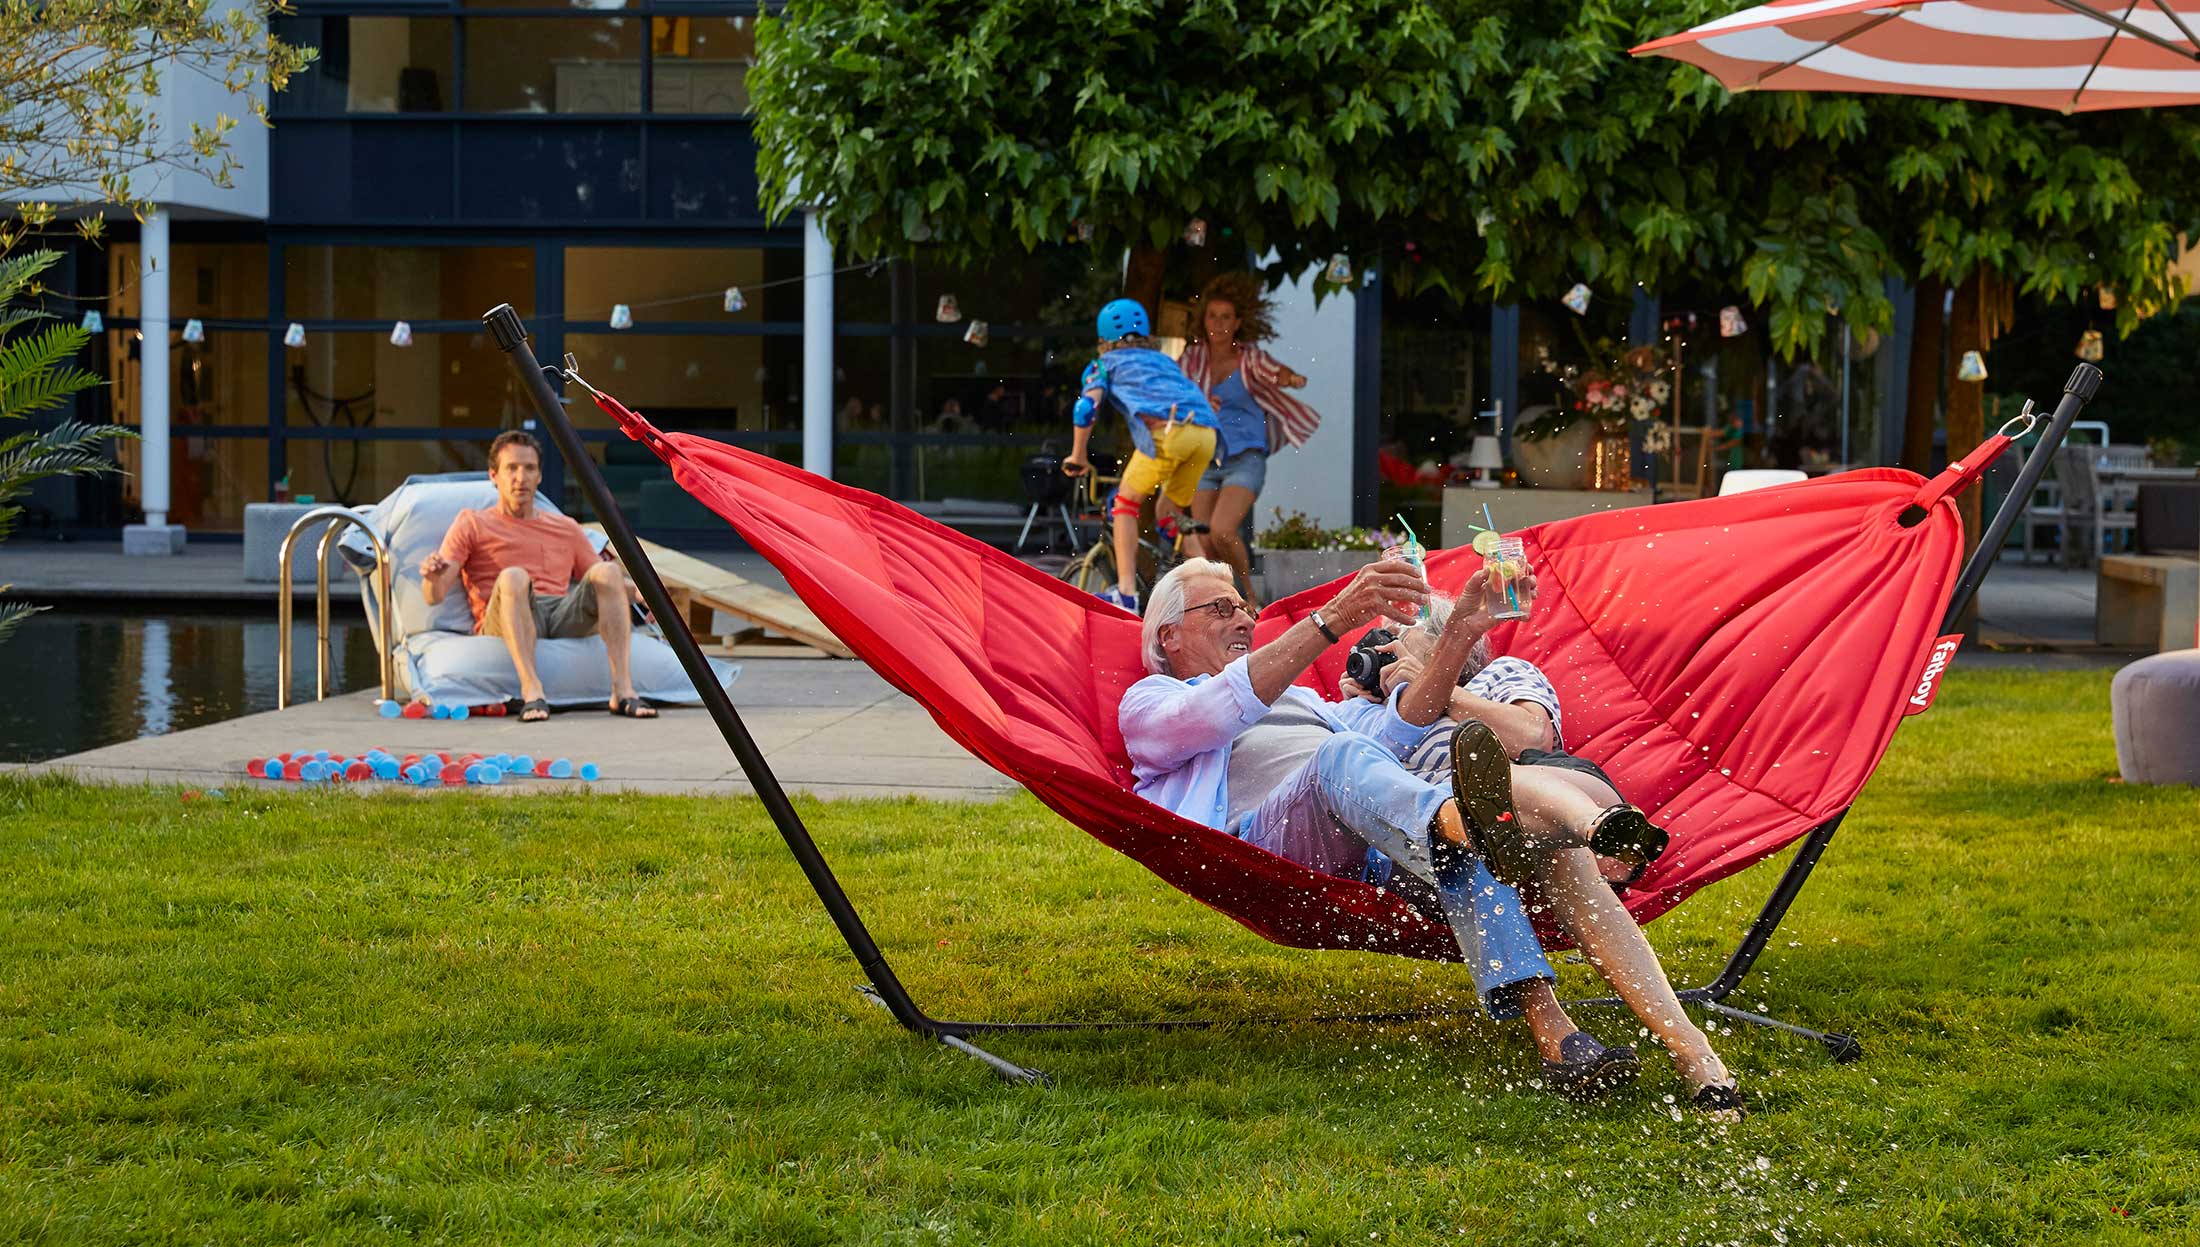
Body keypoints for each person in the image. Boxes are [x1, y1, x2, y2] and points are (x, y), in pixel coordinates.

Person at [1121, 555, 1744, 1115]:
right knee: (1356, 769)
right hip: (1265, 841)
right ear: (1168, 635)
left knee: (1528, 856)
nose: (1243, 619)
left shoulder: (1316, 705)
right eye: (1221, 608)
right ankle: (1458, 821)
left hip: (1381, 830)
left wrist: (1460, 635)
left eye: (1244, 607)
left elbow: (1395, 734)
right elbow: (1213, 714)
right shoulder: (1151, 701)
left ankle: (1676, 1055)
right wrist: (1333, 619)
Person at [420, 430, 656, 724]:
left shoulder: (565, 527)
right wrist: (431, 577)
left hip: (558, 612)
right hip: (506, 611)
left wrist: (641, 595)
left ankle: (622, 690)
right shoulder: (472, 522)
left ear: (540, 476)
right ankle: (532, 690)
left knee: (608, 570)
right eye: (512, 468)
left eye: (529, 468)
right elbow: (435, 595)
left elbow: (603, 582)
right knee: (515, 576)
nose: (521, 477)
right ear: (494, 476)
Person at [1061, 298, 1220, 612]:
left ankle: (1126, 594)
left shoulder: (1104, 364)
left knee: (1124, 504)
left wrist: (1078, 455)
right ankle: (1218, 590)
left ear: (1103, 338)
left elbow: (1086, 407)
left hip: (1169, 434)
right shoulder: (1163, 360)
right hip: (1206, 435)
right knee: (1169, 513)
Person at [1177, 272, 1321, 608]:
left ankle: (1249, 598)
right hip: (1204, 458)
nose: (1218, 323)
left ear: (1238, 322)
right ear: (1204, 320)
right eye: (1212, 316)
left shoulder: (1248, 358)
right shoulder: (1192, 360)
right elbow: (1174, 391)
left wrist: (1292, 378)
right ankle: (1212, 605)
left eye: (1226, 317)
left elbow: (1275, 371)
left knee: (1222, 531)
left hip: (1246, 457)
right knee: (1200, 540)